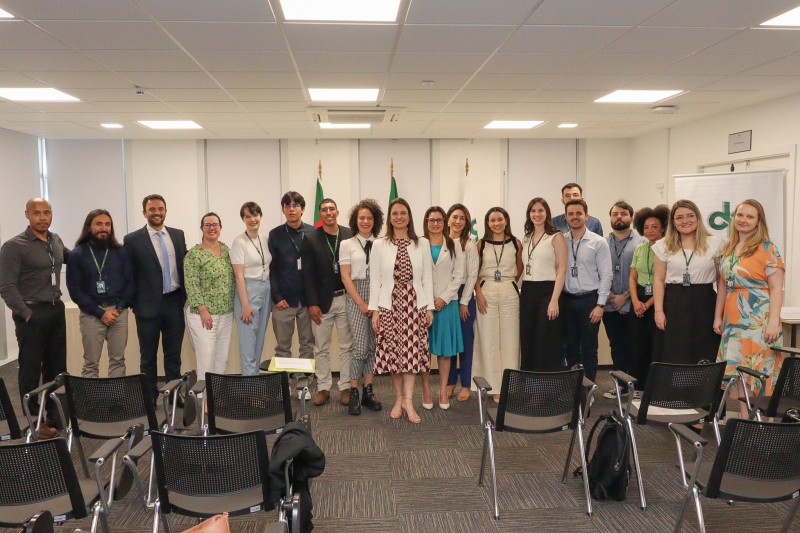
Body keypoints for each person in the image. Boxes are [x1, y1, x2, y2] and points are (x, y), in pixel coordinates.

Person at [0, 198, 67, 438]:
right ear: (27, 215)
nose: (42, 217)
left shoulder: (55, 240)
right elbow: (6, 286)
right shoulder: (14, 246)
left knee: (57, 368)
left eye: (47, 212)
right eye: (36, 213)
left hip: (55, 310)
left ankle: (53, 416)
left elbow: (75, 257)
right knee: (30, 370)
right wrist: (26, 314)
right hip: (31, 313)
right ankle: (32, 422)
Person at [714, 200, 784, 417]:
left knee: (757, 371)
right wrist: (718, 316)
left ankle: (761, 424)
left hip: (758, 319)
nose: (743, 220)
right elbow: (723, 285)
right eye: (740, 215)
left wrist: (773, 321)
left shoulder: (767, 248)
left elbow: (776, 288)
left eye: (750, 217)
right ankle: (748, 422)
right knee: (739, 373)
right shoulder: (728, 247)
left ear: (758, 221)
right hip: (732, 319)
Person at [369, 198, 434, 424]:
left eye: (403, 213)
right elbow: (375, 279)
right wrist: (375, 310)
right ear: (390, 217)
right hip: (389, 304)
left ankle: (409, 401)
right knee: (394, 353)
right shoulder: (379, 244)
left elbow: (427, 277)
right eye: (395, 213)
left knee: (412, 353)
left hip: (414, 303)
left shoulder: (421, 243)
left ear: (409, 216)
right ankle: (398, 399)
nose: (399, 217)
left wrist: (429, 308)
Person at [124, 194, 187, 401]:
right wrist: (134, 303)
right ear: (145, 212)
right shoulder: (132, 240)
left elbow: (184, 265)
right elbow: (128, 274)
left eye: (160, 209)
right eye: (152, 209)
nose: (157, 212)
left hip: (174, 303)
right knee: (148, 357)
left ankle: (174, 395)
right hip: (147, 307)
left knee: (173, 356)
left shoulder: (177, 235)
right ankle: (149, 397)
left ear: (165, 211)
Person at [66, 209, 134, 378]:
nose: (104, 228)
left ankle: (116, 401)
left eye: (107, 224)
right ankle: (91, 404)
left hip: (118, 314)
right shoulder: (77, 255)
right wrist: (100, 313)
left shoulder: (121, 252)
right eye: (99, 224)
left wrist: (117, 309)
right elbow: (75, 291)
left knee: (118, 360)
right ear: (89, 227)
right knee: (91, 363)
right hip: (91, 314)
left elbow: (130, 283)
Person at [653, 199, 723, 364]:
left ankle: (704, 389)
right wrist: (658, 311)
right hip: (674, 303)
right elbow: (658, 279)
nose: (685, 221)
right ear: (673, 222)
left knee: (704, 350)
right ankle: (675, 390)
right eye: (680, 217)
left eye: (690, 216)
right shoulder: (663, 246)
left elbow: (721, 281)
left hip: (705, 303)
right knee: (676, 351)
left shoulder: (715, 243)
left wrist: (719, 314)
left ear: (698, 218)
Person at [300, 198, 354, 407]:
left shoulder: (349, 234)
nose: (328, 213)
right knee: (321, 347)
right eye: (324, 210)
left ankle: (346, 387)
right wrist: (312, 303)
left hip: (346, 299)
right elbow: (307, 275)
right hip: (322, 303)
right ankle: (323, 387)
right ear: (320, 214)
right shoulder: (311, 239)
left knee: (346, 346)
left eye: (332, 209)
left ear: (338, 212)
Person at [472, 207, 523, 402]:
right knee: (488, 339)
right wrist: (479, 293)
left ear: (506, 220)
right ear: (487, 223)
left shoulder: (516, 243)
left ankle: (509, 384)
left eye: (500, 219)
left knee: (511, 340)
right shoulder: (481, 244)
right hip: (487, 292)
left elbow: (519, 268)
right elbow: (474, 272)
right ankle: (493, 386)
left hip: (509, 291)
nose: (496, 223)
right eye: (492, 220)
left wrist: (510, 283)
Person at [339, 199, 384, 415]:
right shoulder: (346, 244)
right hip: (356, 296)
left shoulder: (382, 243)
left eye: (369, 218)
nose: (365, 221)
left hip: (377, 295)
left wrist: (375, 304)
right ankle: (354, 390)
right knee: (360, 346)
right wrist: (362, 303)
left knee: (373, 346)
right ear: (355, 221)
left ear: (375, 221)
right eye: (361, 218)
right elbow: (346, 278)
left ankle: (368, 390)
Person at [561, 199, 612, 382]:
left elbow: (606, 275)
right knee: (569, 346)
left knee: (589, 347)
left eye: (578, 213)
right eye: (571, 214)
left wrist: (600, 305)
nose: (575, 217)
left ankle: (589, 385)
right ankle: (573, 384)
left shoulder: (598, 242)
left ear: (586, 216)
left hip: (590, 301)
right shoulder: (561, 241)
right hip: (566, 299)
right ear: (566, 217)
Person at [420, 206, 464, 410]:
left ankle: (444, 390)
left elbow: (459, 276)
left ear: (445, 222)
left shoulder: (454, 244)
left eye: (439, 220)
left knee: (445, 351)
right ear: (426, 222)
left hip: (447, 305)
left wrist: (443, 298)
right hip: (423, 305)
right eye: (431, 220)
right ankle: (426, 389)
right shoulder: (418, 244)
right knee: (423, 350)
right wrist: (429, 300)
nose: (435, 223)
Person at [601, 201, 646, 399]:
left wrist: (624, 297)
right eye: (615, 214)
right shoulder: (602, 242)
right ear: (610, 218)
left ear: (631, 217)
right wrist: (612, 297)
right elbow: (599, 272)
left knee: (634, 345)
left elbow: (643, 276)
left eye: (624, 213)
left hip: (633, 303)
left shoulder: (642, 242)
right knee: (616, 346)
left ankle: (635, 387)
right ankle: (620, 386)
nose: (619, 217)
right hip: (610, 305)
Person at [184, 213, 234, 381]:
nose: (212, 228)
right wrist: (203, 310)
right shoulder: (194, 254)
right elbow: (191, 284)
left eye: (215, 225)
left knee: (222, 358)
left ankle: (216, 396)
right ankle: (203, 401)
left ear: (220, 227)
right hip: (203, 315)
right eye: (208, 225)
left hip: (226, 313)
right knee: (206, 358)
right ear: (201, 228)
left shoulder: (226, 250)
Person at [519, 198, 567, 372]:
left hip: (548, 291)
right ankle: (528, 379)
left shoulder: (556, 236)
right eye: (533, 211)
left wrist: (554, 300)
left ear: (546, 213)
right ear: (529, 214)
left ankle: (545, 383)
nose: (537, 214)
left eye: (540, 210)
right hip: (528, 291)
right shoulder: (526, 237)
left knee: (545, 339)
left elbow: (562, 270)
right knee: (527, 337)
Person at [267, 192, 315, 362]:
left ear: (302, 209)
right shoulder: (275, 234)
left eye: (295, 205)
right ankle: (285, 383)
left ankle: (305, 384)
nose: (291, 209)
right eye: (288, 206)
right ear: (283, 209)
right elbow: (271, 269)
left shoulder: (314, 232)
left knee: (307, 345)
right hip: (283, 302)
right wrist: (277, 297)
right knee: (282, 347)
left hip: (308, 302)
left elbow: (318, 268)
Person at [628, 205, 669, 389]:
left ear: (663, 228)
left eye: (654, 226)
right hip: (638, 298)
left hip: (658, 299)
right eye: (646, 227)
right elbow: (632, 277)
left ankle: (655, 387)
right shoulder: (640, 248)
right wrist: (636, 301)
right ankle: (638, 386)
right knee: (637, 345)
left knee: (656, 345)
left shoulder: (669, 248)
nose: (650, 230)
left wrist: (648, 304)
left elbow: (664, 281)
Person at [231, 202, 272, 376]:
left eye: (255, 215)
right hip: (248, 290)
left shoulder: (265, 239)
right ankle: (249, 386)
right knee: (248, 343)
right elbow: (239, 275)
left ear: (260, 216)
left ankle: (254, 380)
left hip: (267, 289)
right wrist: (245, 304)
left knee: (259, 340)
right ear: (243, 219)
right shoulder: (239, 242)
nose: (252, 219)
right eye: (247, 216)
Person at [445, 204, 479, 402]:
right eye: (455, 217)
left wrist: (464, 302)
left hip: (464, 294)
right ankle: (450, 382)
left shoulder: (470, 243)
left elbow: (473, 274)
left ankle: (465, 384)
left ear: (466, 223)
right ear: (448, 219)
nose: (458, 221)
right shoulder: (441, 241)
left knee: (465, 343)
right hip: (446, 295)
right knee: (449, 343)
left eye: (462, 218)